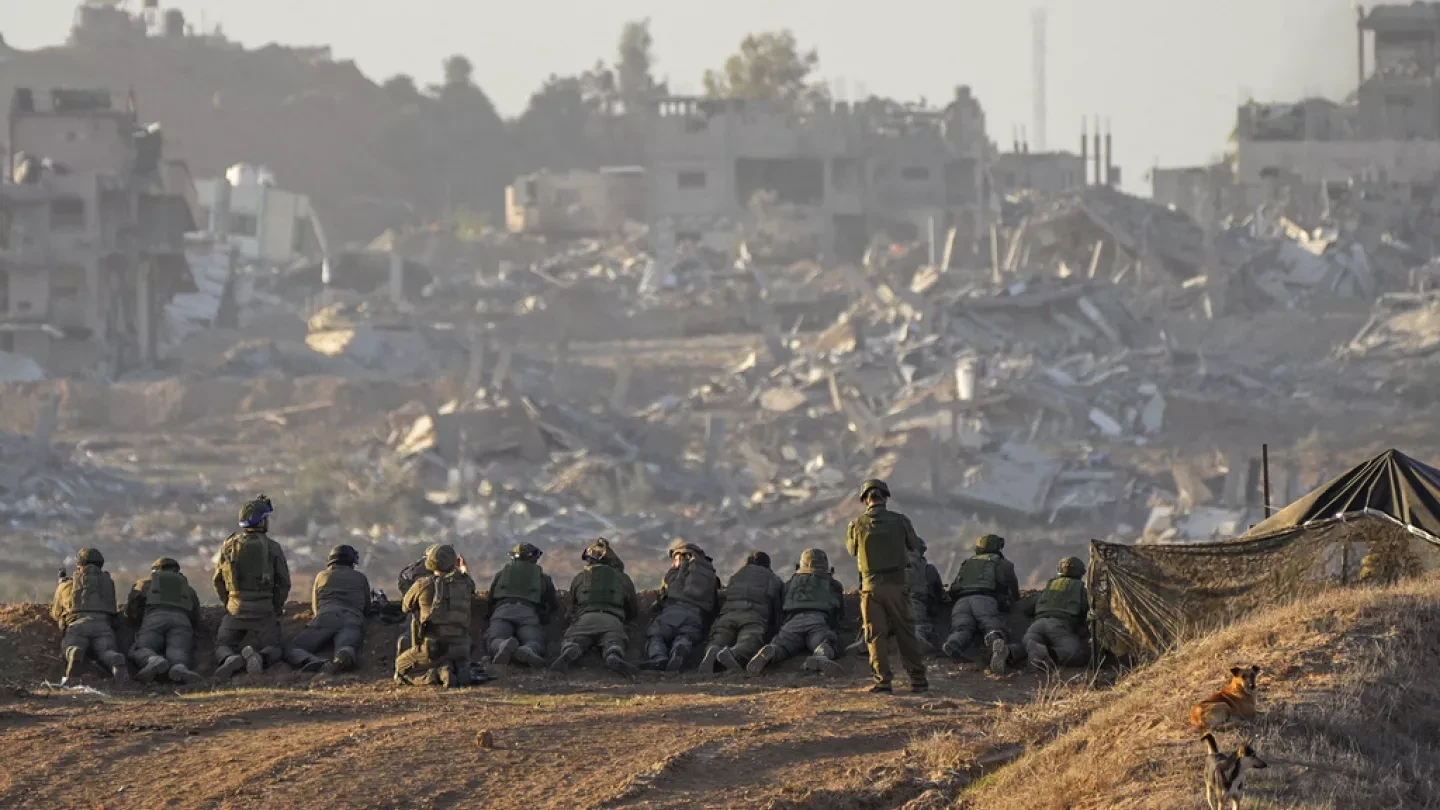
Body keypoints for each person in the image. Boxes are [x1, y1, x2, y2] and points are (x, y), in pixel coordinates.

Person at [845, 480, 928, 693]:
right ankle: (918, 680)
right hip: (897, 585)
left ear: (865, 500)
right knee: (906, 633)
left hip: (870, 587)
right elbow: (914, 546)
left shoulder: (857, 524)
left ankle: (882, 681)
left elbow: (851, 550)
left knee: (875, 635)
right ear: (885, 497)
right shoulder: (901, 521)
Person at [212, 495, 291, 678]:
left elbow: (217, 580)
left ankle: (229, 658)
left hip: (235, 608)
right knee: (275, 648)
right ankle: (260, 658)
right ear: (262, 521)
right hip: (264, 610)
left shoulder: (228, 547)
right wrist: (275, 607)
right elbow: (284, 583)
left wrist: (229, 603)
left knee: (222, 645)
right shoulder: (272, 547)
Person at [746, 549, 846, 677]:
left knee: (782, 646)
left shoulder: (790, 583)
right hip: (818, 619)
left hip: (792, 622)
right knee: (825, 642)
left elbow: (780, 606)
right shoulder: (832, 583)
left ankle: (772, 651)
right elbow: (839, 612)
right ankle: (821, 657)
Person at [550, 538, 639, 676]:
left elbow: (572, 605)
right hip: (612, 620)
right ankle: (612, 655)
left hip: (585, 619)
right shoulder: (622, 578)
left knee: (576, 640)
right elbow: (633, 608)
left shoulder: (580, 577)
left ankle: (571, 649)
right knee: (614, 642)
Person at [394, 544, 477, 687]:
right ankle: (459, 669)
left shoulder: (422, 584)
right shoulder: (466, 584)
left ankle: (435, 676)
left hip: (433, 649)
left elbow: (405, 607)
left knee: (401, 667)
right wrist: (463, 567)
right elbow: (468, 580)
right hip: (462, 647)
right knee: (452, 658)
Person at [286, 544, 373, 675]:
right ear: (351, 561)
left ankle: (313, 661)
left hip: (326, 617)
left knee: (294, 648)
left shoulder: (321, 576)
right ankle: (342, 658)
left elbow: (316, 608)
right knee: (346, 647)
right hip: (352, 619)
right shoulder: (361, 578)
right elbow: (367, 609)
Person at [941, 534, 1020, 675]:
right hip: (984, 599)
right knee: (990, 624)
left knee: (962, 628)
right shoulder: (1002, 563)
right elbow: (1012, 586)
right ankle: (996, 643)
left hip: (961, 602)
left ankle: (953, 643)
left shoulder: (967, 563)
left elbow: (954, 587)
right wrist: (1013, 600)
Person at [51, 547, 127, 685]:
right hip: (103, 626)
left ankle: (74, 652)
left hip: (77, 625)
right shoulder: (108, 583)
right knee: (106, 651)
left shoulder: (69, 585)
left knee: (71, 645)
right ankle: (115, 659)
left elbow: (56, 612)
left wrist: (62, 585)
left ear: (79, 566)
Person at [699, 551, 783, 674]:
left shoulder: (736, 576)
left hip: (727, 615)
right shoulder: (773, 579)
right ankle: (733, 654)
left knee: (720, 637)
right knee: (749, 641)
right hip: (753, 616)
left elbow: (724, 594)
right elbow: (777, 604)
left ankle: (713, 650)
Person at [643, 540, 720, 672]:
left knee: (656, 636)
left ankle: (658, 657)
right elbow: (714, 600)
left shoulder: (672, 573)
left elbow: (663, 595)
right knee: (686, 636)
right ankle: (680, 647)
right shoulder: (711, 575)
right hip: (696, 614)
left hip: (671, 611)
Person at [124, 557, 204, 684]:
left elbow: (132, 606)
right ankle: (179, 667)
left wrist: (137, 619)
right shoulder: (187, 588)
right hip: (181, 621)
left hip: (154, 619)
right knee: (179, 651)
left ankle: (153, 660)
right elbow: (196, 616)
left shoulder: (145, 583)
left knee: (141, 648)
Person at [485, 542, 559, 667]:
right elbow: (551, 603)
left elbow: (490, 599)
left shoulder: (501, 574)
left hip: (502, 610)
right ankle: (527, 650)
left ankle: (502, 645)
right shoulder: (542, 577)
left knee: (494, 639)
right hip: (527, 612)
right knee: (535, 641)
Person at [1023, 556, 1090, 671]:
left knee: (1027, 647)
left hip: (1036, 625)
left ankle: (1009, 652)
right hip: (1059, 626)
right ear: (1081, 572)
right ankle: (1047, 655)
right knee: (1078, 653)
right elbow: (1086, 611)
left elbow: (1029, 608)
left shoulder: (1050, 587)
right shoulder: (1080, 590)